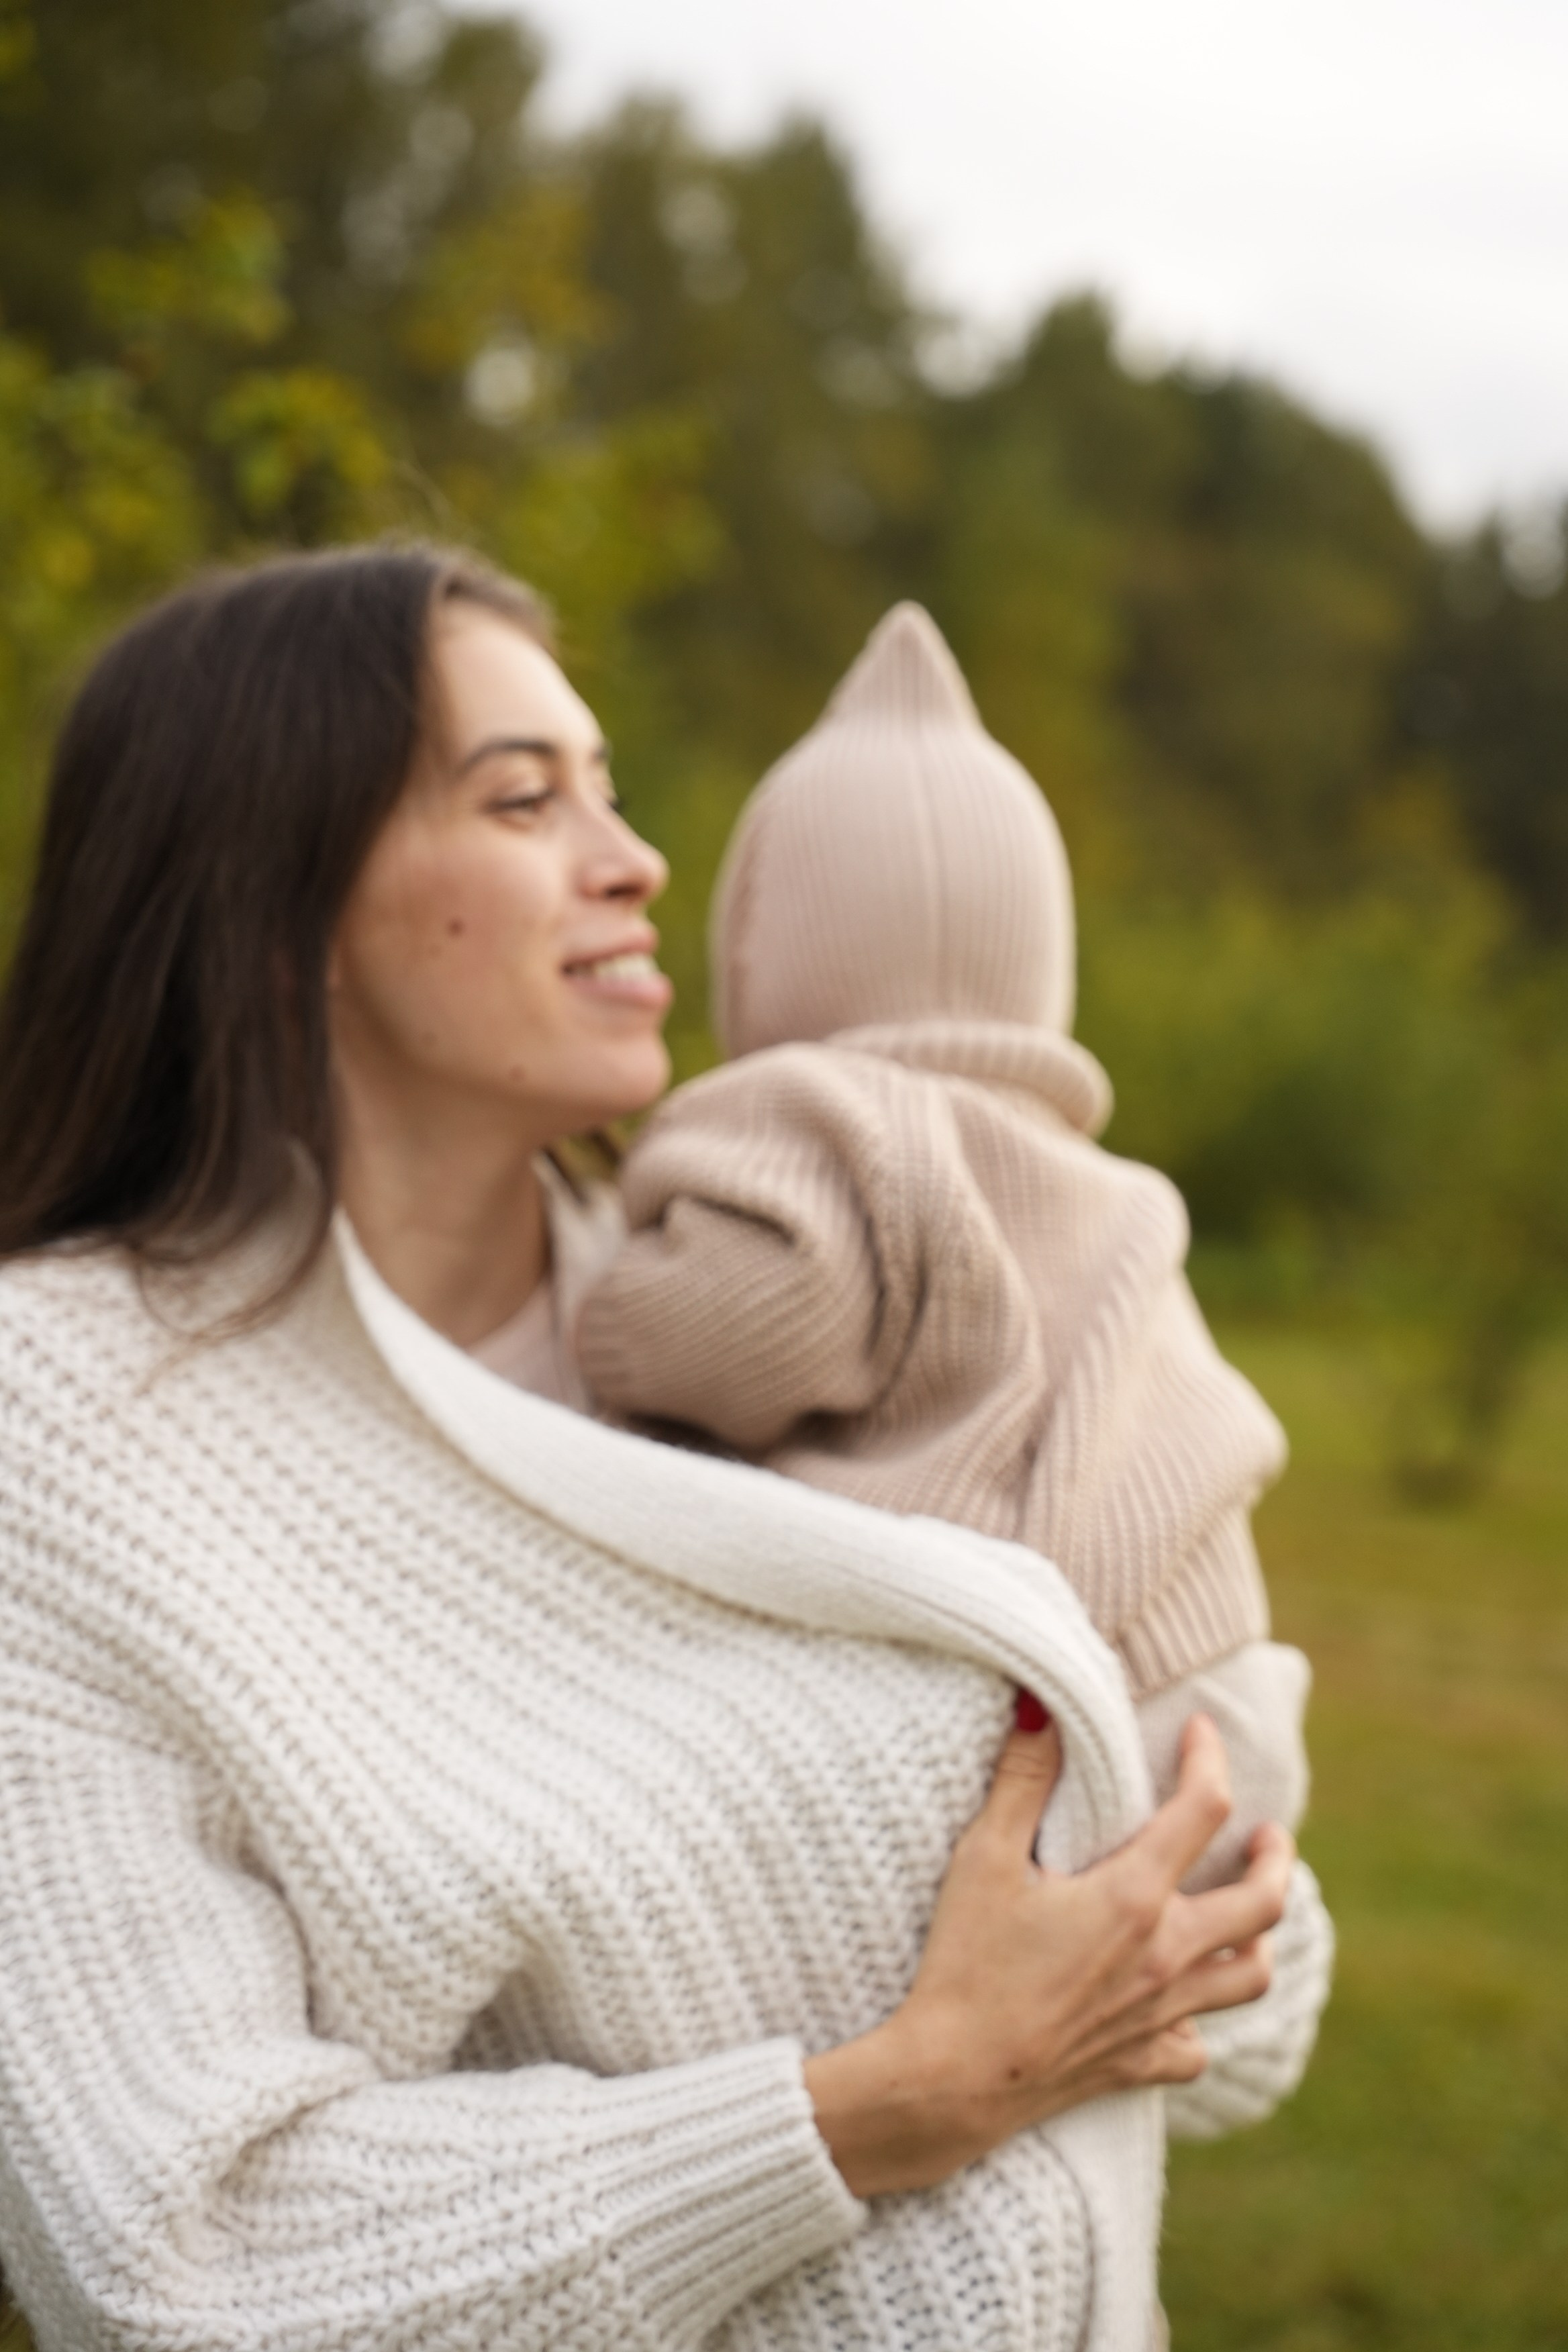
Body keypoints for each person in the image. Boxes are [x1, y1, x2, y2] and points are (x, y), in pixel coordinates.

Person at [0, 544, 1300, 2352]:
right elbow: (179, 2258)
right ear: (277, 901)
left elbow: (1228, 2033)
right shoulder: (60, 1434)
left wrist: (1207, 1878)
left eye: (609, 788)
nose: (636, 861)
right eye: (524, 798)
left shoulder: (781, 1327)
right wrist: (865, 2112)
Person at [574, 602, 1319, 1907]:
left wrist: (612, 1307)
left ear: (766, 957)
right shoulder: (1102, 1181)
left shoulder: (816, 1126)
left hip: (1026, 1732)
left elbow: (756, 1329)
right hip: (1211, 1674)